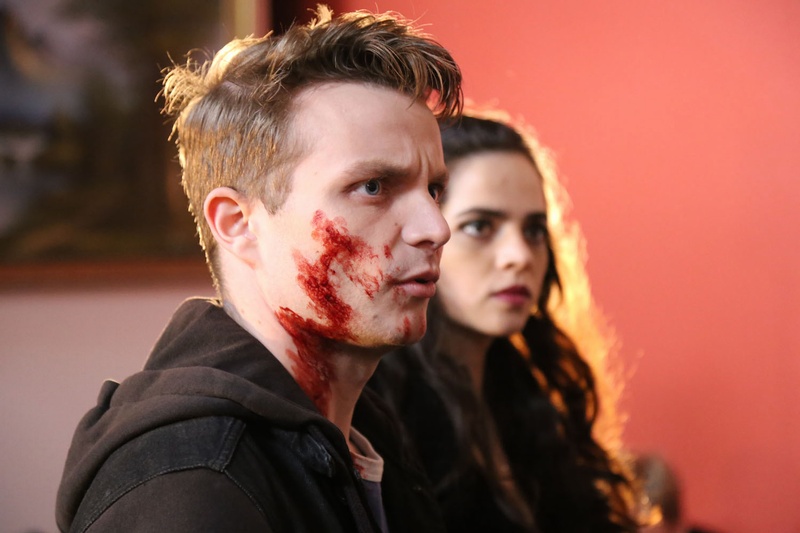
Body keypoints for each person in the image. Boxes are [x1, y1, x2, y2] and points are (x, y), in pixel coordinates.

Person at [55, 6, 462, 532]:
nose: (435, 227)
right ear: (239, 224)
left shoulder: (368, 436)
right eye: (373, 187)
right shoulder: (190, 484)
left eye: (434, 189)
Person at [369, 112, 641, 532]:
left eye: (534, 230)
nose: (519, 256)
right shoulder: (378, 415)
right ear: (425, 234)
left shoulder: (529, 402)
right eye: (480, 226)